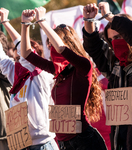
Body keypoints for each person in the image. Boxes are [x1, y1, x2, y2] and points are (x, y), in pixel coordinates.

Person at [20, 7, 107, 150]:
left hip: (84, 141)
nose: (49, 47)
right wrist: (25, 25)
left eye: (52, 42)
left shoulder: (84, 67)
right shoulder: (58, 71)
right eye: (48, 43)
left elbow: (60, 48)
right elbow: (26, 54)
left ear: (68, 43)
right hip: (64, 143)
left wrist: (42, 21)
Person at [82, 3, 132, 150]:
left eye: (119, 36)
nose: (115, 42)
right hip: (122, 143)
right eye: (111, 40)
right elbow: (94, 47)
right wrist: (89, 20)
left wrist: (110, 17)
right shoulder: (114, 67)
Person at [0, 8, 59, 150]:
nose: (18, 62)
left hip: (43, 144)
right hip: (23, 145)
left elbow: (26, 56)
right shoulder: (18, 76)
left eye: (20, 58)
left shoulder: (42, 75)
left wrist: (9, 23)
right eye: (15, 59)